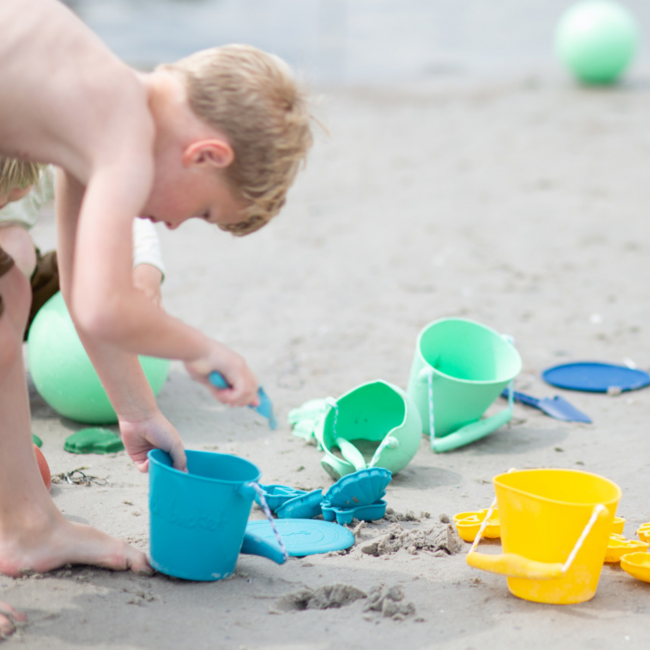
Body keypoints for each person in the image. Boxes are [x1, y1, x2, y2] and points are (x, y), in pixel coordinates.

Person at [0, 0, 312, 638]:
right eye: (200, 212)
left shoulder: (97, 103)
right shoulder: (120, 129)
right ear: (206, 154)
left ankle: (29, 527)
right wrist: (202, 348)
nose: (169, 225)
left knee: (8, 297)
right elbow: (104, 304)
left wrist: (136, 410)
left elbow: (91, 283)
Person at [0, 162, 167, 335]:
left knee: (105, 270)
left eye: (18, 188)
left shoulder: (44, 162)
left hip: (24, 279)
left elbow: (115, 205)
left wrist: (145, 266)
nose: (4, 200)